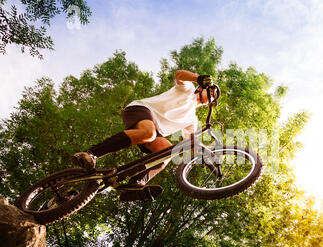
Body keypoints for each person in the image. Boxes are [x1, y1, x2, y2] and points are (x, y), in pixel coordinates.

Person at [71, 70, 218, 202]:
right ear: (201, 88)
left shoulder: (192, 120)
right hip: (142, 110)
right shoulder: (187, 89)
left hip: (155, 132)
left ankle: (135, 184)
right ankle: (91, 154)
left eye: (214, 97)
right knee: (149, 133)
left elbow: (190, 143)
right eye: (211, 92)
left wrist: (204, 154)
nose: (213, 96)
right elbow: (179, 74)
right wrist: (198, 78)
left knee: (167, 152)